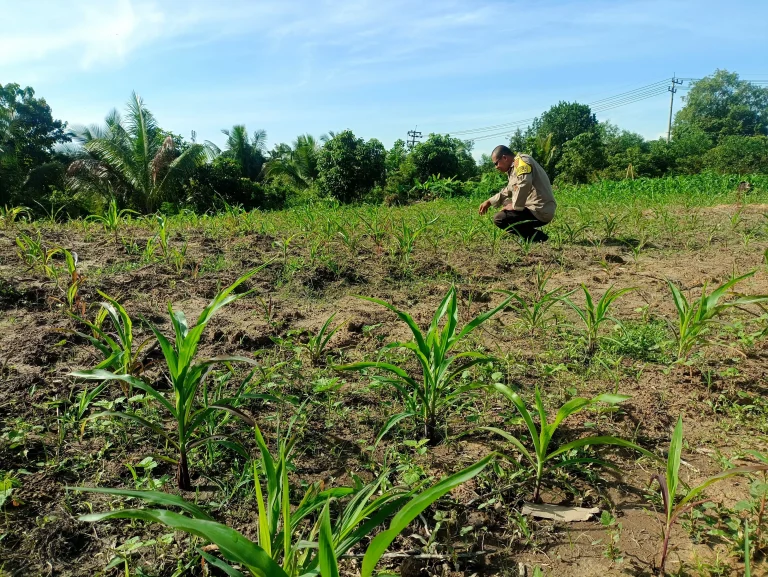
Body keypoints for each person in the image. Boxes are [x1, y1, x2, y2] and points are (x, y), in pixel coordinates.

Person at [478, 145, 556, 241]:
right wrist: (489, 202)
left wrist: (515, 206)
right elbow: (508, 190)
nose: (496, 167)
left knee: (499, 219)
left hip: (540, 210)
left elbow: (524, 183)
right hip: (533, 208)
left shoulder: (522, 161)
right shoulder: (513, 168)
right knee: (506, 202)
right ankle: (527, 234)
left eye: (496, 163)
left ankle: (536, 236)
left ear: (504, 158)